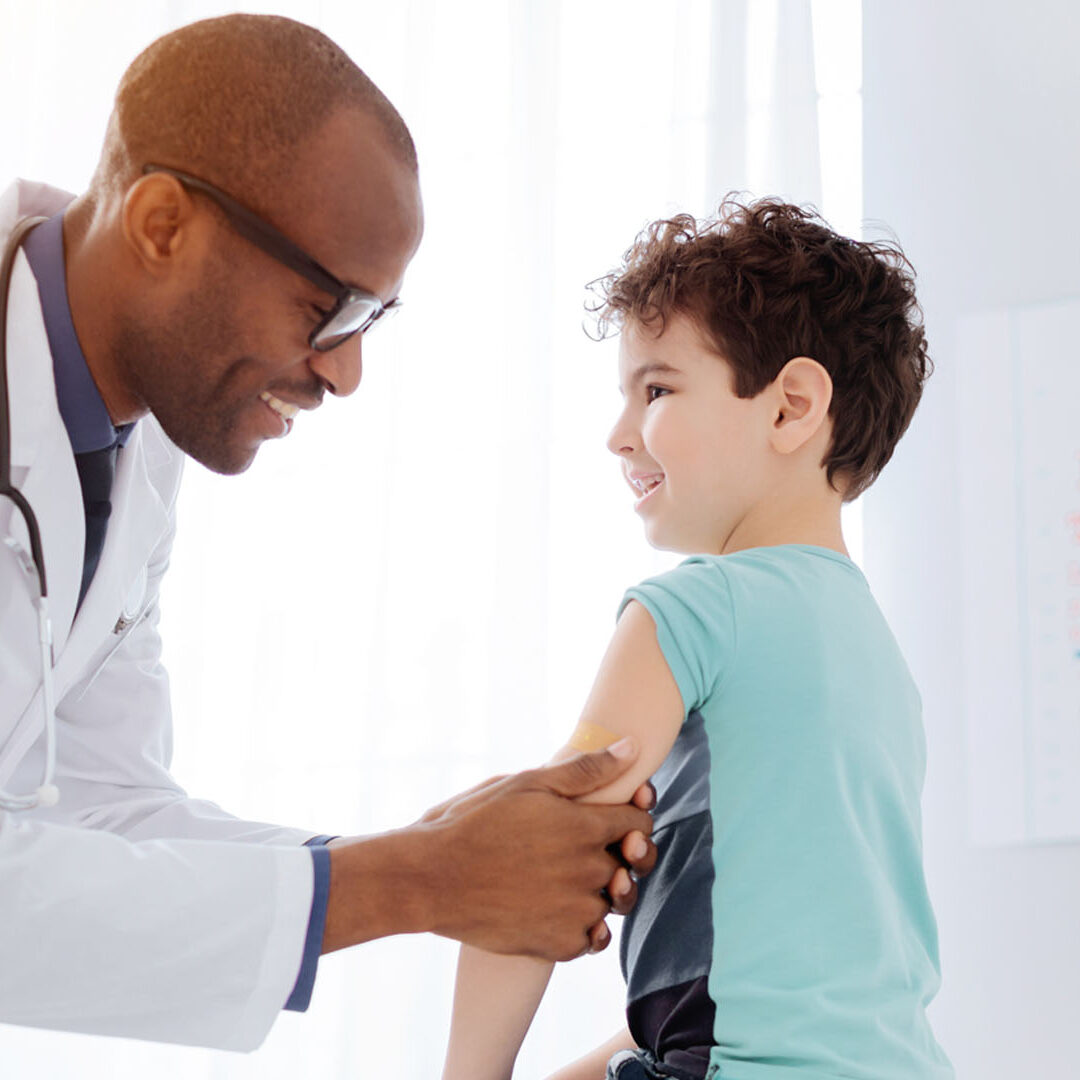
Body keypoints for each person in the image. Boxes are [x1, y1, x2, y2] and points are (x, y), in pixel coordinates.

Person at [0, 14, 658, 1052]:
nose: (345, 373)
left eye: (371, 322)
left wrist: (429, 854)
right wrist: (415, 878)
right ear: (164, 224)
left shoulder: (140, 440)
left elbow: (94, 802)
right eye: (327, 307)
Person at [441, 198, 956, 1080]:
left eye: (657, 389)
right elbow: (759, 990)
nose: (617, 435)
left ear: (791, 406)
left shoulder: (693, 611)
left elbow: (530, 864)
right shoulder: (879, 663)